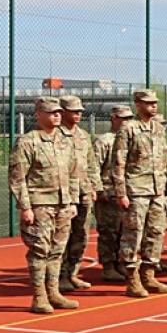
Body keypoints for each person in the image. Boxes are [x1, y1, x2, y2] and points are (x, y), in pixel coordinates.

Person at [10, 97, 80, 314]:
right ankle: (39, 296)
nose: (56, 115)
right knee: (40, 251)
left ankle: (54, 292)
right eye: (51, 112)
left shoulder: (65, 141)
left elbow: (73, 173)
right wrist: (25, 207)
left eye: (58, 112)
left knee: (57, 251)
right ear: (38, 115)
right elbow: (17, 177)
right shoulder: (28, 142)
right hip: (40, 204)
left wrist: (73, 201)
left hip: (62, 204)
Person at [113, 89, 167, 296]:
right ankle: (132, 278)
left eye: (155, 102)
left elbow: (164, 161)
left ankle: (149, 275)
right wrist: (121, 193)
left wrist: (166, 190)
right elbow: (119, 164)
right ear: (137, 104)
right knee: (134, 234)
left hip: (157, 190)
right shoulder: (128, 129)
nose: (153, 106)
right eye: (148, 103)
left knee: (156, 232)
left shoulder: (158, 129)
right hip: (136, 190)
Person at [58, 95, 100, 292]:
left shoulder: (83, 135)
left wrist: (94, 186)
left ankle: (72, 273)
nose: (78, 114)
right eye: (74, 111)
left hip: (83, 192)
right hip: (64, 194)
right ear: (63, 111)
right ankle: (60, 276)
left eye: (80, 111)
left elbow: (91, 164)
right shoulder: (56, 135)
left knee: (81, 235)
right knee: (62, 236)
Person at [94, 105, 131, 281]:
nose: (126, 122)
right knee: (109, 232)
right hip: (108, 193)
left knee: (125, 231)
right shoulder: (105, 141)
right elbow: (94, 168)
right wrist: (99, 190)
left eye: (129, 119)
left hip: (127, 193)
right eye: (123, 118)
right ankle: (108, 266)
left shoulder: (130, 139)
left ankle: (120, 263)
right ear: (113, 118)